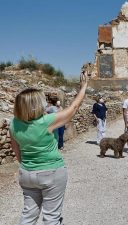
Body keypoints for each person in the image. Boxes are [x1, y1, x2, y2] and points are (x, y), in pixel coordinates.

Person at [9, 73, 88, 224]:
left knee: (28, 215)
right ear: (36, 104)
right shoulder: (46, 121)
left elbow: (17, 152)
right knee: (51, 217)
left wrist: (29, 166)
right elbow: (74, 107)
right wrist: (83, 87)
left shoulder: (14, 124)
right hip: (51, 171)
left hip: (27, 173)